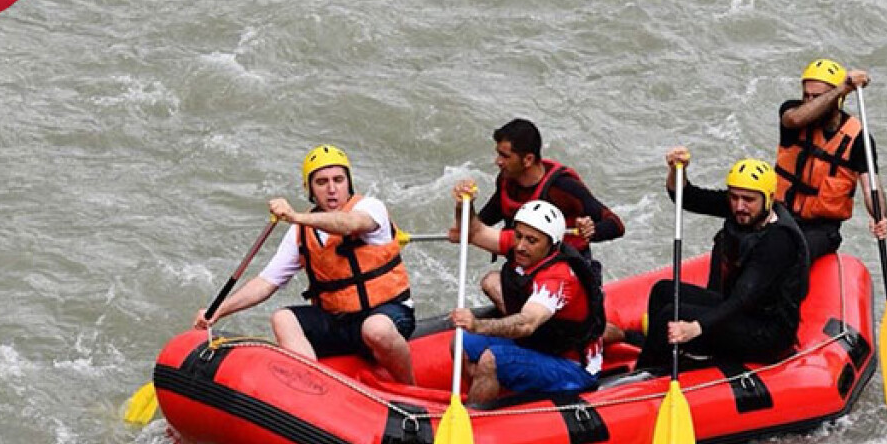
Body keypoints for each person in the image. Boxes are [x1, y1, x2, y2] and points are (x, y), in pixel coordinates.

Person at [193, 144, 417, 384]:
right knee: (282, 317)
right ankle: (315, 390)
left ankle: (410, 387)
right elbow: (266, 282)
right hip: (339, 321)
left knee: (376, 329)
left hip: (388, 313)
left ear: (348, 183)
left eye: (338, 180)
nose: (332, 189)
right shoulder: (299, 232)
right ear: (309, 189)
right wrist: (217, 311)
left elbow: (350, 224)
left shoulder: (371, 207)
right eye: (321, 182)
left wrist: (295, 216)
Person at [635, 151, 809, 371]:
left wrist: (696, 328)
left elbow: (743, 297)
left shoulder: (779, 240)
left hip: (766, 333)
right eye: (734, 197)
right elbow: (687, 197)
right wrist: (677, 170)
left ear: (769, 199)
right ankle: (662, 355)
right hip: (742, 314)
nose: (739, 206)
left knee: (670, 314)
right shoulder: (741, 210)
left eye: (748, 200)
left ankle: (645, 374)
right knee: (663, 291)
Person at [449, 192, 606, 404]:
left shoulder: (557, 279)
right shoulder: (523, 247)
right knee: (461, 342)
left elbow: (526, 323)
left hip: (572, 365)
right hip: (538, 344)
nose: (521, 245)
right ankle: (484, 397)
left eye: (531, 240)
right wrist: (463, 204)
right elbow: (475, 232)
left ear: (551, 244)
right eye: (518, 235)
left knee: (490, 360)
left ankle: (476, 418)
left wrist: (477, 325)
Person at [466, 118, 625, 314]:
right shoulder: (507, 181)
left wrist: (592, 231)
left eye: (505, 156)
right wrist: (465, 204)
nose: (497, 162)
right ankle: (526, 329)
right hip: (529, 272)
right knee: (491, 283)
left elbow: (616, 225)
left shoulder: (563, 188)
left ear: (528, 160)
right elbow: (482, 222)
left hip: (568, 275)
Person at [776, 58, 887, 262]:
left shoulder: (858, 139)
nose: (809, 101)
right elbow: (794, 120)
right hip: (781, 215)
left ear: (836, 100)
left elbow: (870, 188)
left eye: (817, 97)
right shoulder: (793, 114)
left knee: (793, 254)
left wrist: (879, 217)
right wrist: (843, 88)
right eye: (806, 95)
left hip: (820, 229)